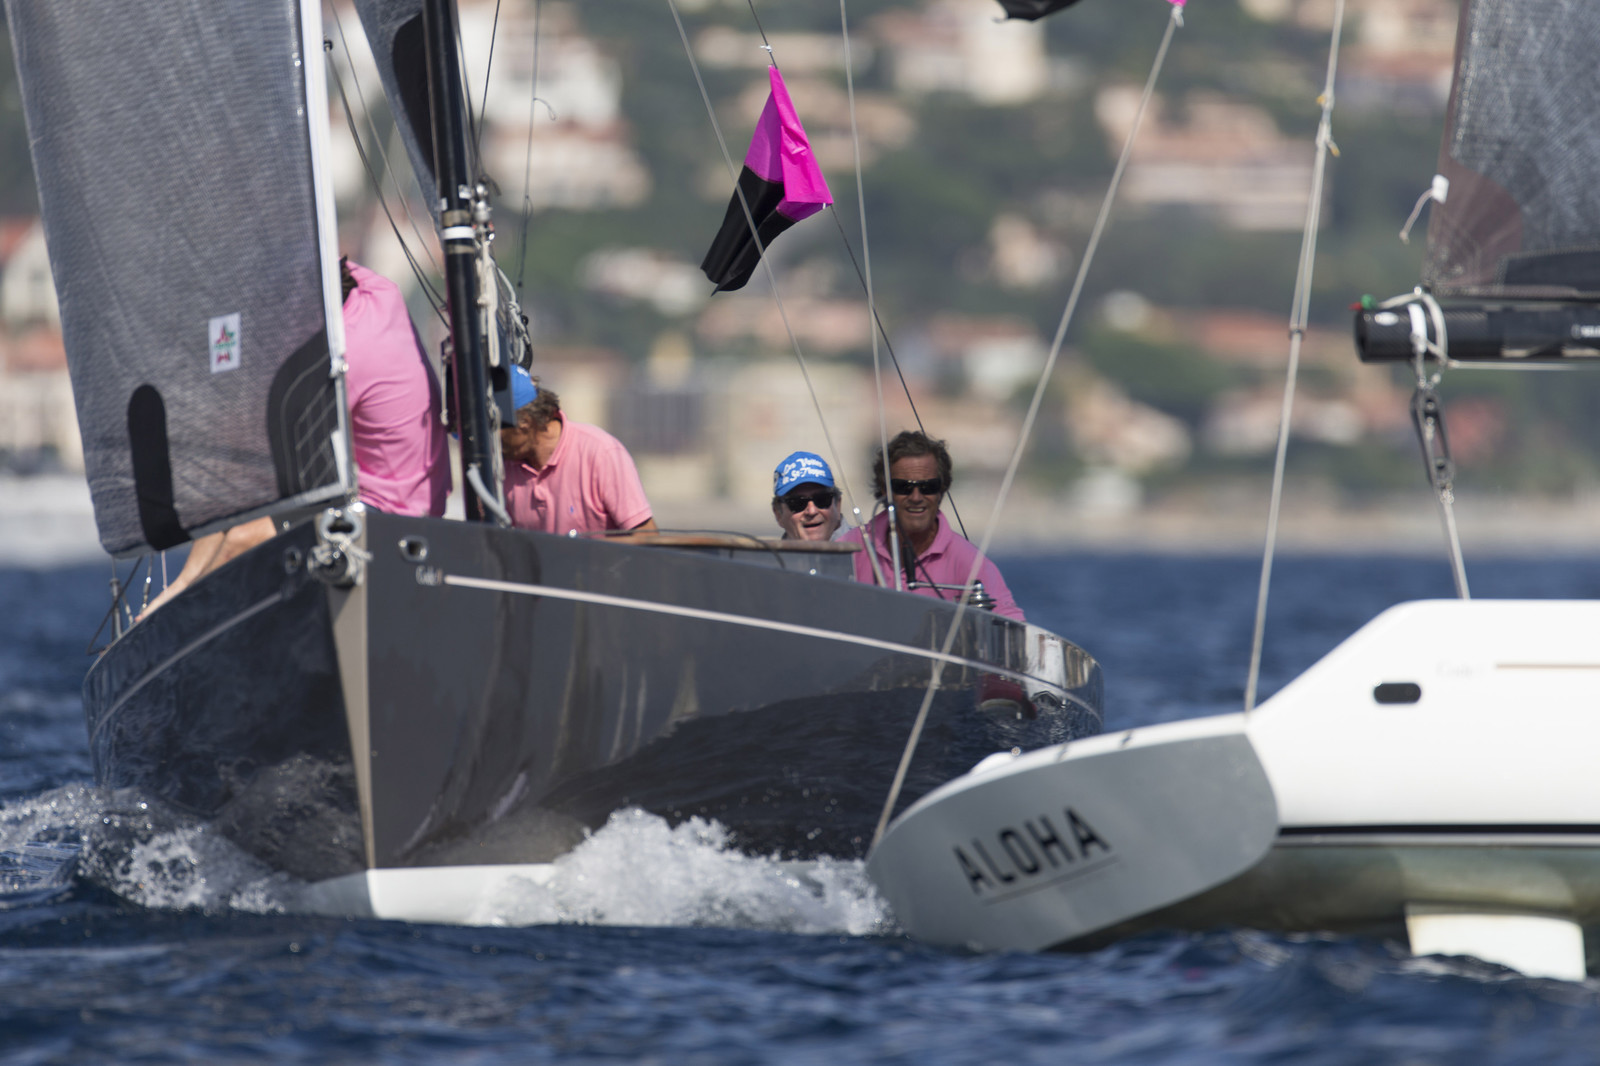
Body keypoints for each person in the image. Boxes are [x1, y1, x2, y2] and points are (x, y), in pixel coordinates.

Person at [140, 259, 451, 619]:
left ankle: (176, 614)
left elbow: (280, 444)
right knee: (236, 500)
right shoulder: (378, 291)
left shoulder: (345, 357)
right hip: (420, 496)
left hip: (389, 513)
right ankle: (178, 592)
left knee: (242, 536)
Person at [838, 430, 1024, 621]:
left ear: (942, 490)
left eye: (928, 487)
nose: (916, 497)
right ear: (885, 490)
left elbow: (1012, 624)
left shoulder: (969, 562)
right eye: (904, 487)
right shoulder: (849, 549)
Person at [500, 365, 658, 535]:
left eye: (494, 426)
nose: (490, 436)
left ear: (524, 421)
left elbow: (647, 538)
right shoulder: (500, 468)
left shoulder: (601, 453)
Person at [771, 450, 842, 542]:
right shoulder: (767, 556)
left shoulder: (864, 549)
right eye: (797, 503)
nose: (812, 511)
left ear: (838, 506)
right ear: (778, 514)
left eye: (822, 499)